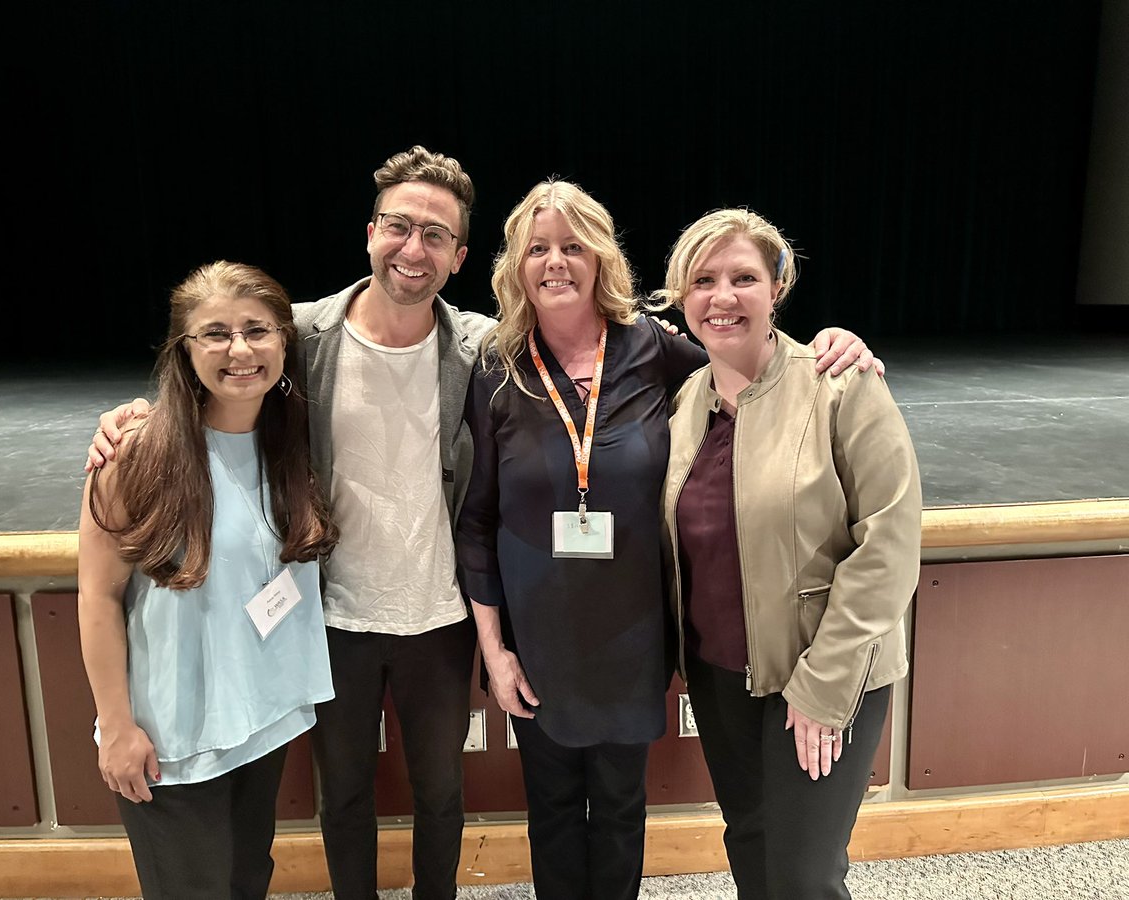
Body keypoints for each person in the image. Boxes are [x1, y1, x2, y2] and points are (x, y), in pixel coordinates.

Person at [87, 148, 873, 900]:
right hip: (386, 622)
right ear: (372, 233)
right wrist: (139, 419)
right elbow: (225, 353)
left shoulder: (566, 350)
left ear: (462, 255)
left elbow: (738, 358)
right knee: (376, 801)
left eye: (435, 234)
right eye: (398, 226)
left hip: (529, 626)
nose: (412, 247)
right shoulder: (346, 341)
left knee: (511, 802)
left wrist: (826, 345)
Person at [454, 182, 882, 900]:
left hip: (630, 637)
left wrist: (830, 345)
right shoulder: (498, 370)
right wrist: (494, 653)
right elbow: (478, 521)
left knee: (621, 812)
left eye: (573, 246)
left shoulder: (650, 348)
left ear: (600, 259)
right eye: (538, 249)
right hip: (536, 640)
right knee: (553, 814)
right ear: (516, 266)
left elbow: (754, 364)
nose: (556, 262)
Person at [656, 208, 922, 900]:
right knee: (751, 845)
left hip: (821, 671)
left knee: (803, 875)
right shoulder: (686, 402)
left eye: (743, 277)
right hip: (723, 678)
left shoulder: (841, 384)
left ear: (777, 286)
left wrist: (824, 686)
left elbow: (889, 543)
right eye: (703, 280)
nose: (722, 297)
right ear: (681, 297)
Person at [78, 261, 337, 900]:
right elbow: (97, 600)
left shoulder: (291, 444)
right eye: (215, 333)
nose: (241, 350)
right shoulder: (135, 457)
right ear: (183, 349)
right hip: (173, 739)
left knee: (247, 879)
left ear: (284, 340)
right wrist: (116, 727)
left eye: (258, 330)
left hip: (258, 721)